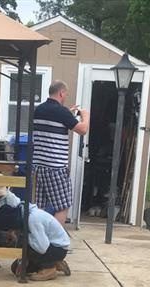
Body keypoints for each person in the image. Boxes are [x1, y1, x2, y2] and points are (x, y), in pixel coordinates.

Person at [31, 80, 89, 224]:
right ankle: (56, 241)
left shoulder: (39, 110)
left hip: (39, 167)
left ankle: (39, 240)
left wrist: (68, 113)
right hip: (55, 168)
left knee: (41, 206)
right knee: (63, 206)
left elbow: (55, 120)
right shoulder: (61, 112)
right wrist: (86, 116)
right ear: (61, 93)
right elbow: (82, 130)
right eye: (65, 94)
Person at [0, 203, 70, 282]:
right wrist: (21, 262)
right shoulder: (24, 217)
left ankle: (49, 269)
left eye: (9, 229)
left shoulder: (33, 219)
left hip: (57, 248)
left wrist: (25, 242)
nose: (10, 232)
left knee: (26, 247)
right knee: (15, 268)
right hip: (49, 247)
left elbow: (42, 248)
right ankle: (55, 262)